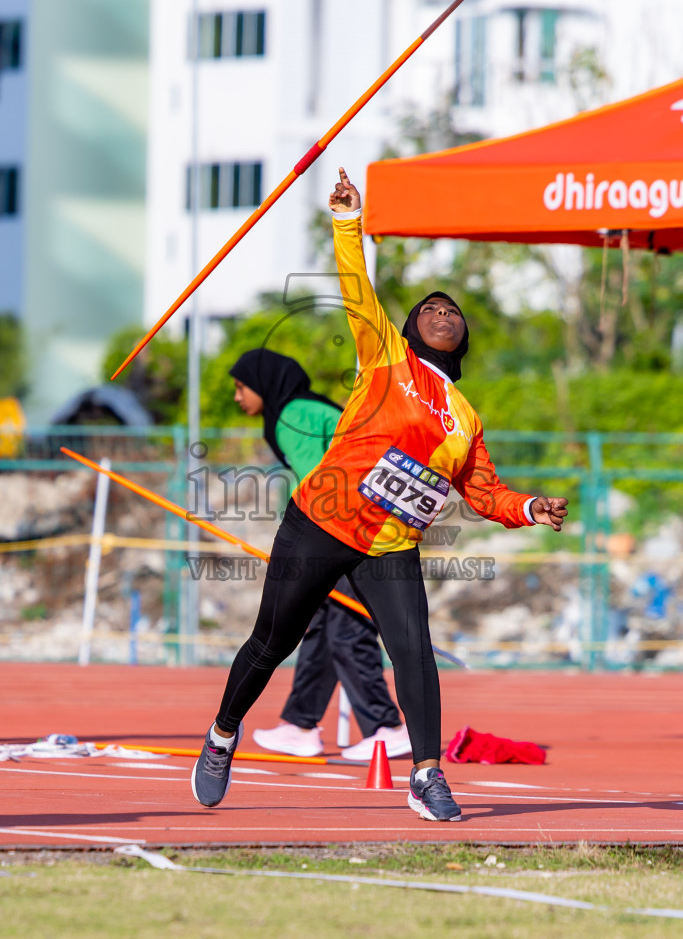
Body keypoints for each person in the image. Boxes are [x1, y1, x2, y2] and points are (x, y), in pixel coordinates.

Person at [191, 168, 568, 822]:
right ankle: (223, 732)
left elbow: (482, 489)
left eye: (452, 309)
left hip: (392, 545)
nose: (442, 311)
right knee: (271, 641)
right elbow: (357, 292)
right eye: (430, 307)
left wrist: (529, 507)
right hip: (320, 523)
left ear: (463, 337)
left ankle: (425, 774)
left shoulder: (463, 415)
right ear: (410, 327)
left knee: (413, 649)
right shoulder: (385, 355)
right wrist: (346, 222)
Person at [228, 348, 411, 760]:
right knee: (321, 627)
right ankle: (300, 723)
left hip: (348, 529)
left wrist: (298, 548)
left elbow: (320, 486)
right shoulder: (303, 411)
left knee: (346, 627)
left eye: (241, 387)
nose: (238, 397)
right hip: (355, 523)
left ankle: (386, 725)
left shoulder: (294, 414)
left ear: (263, 382)